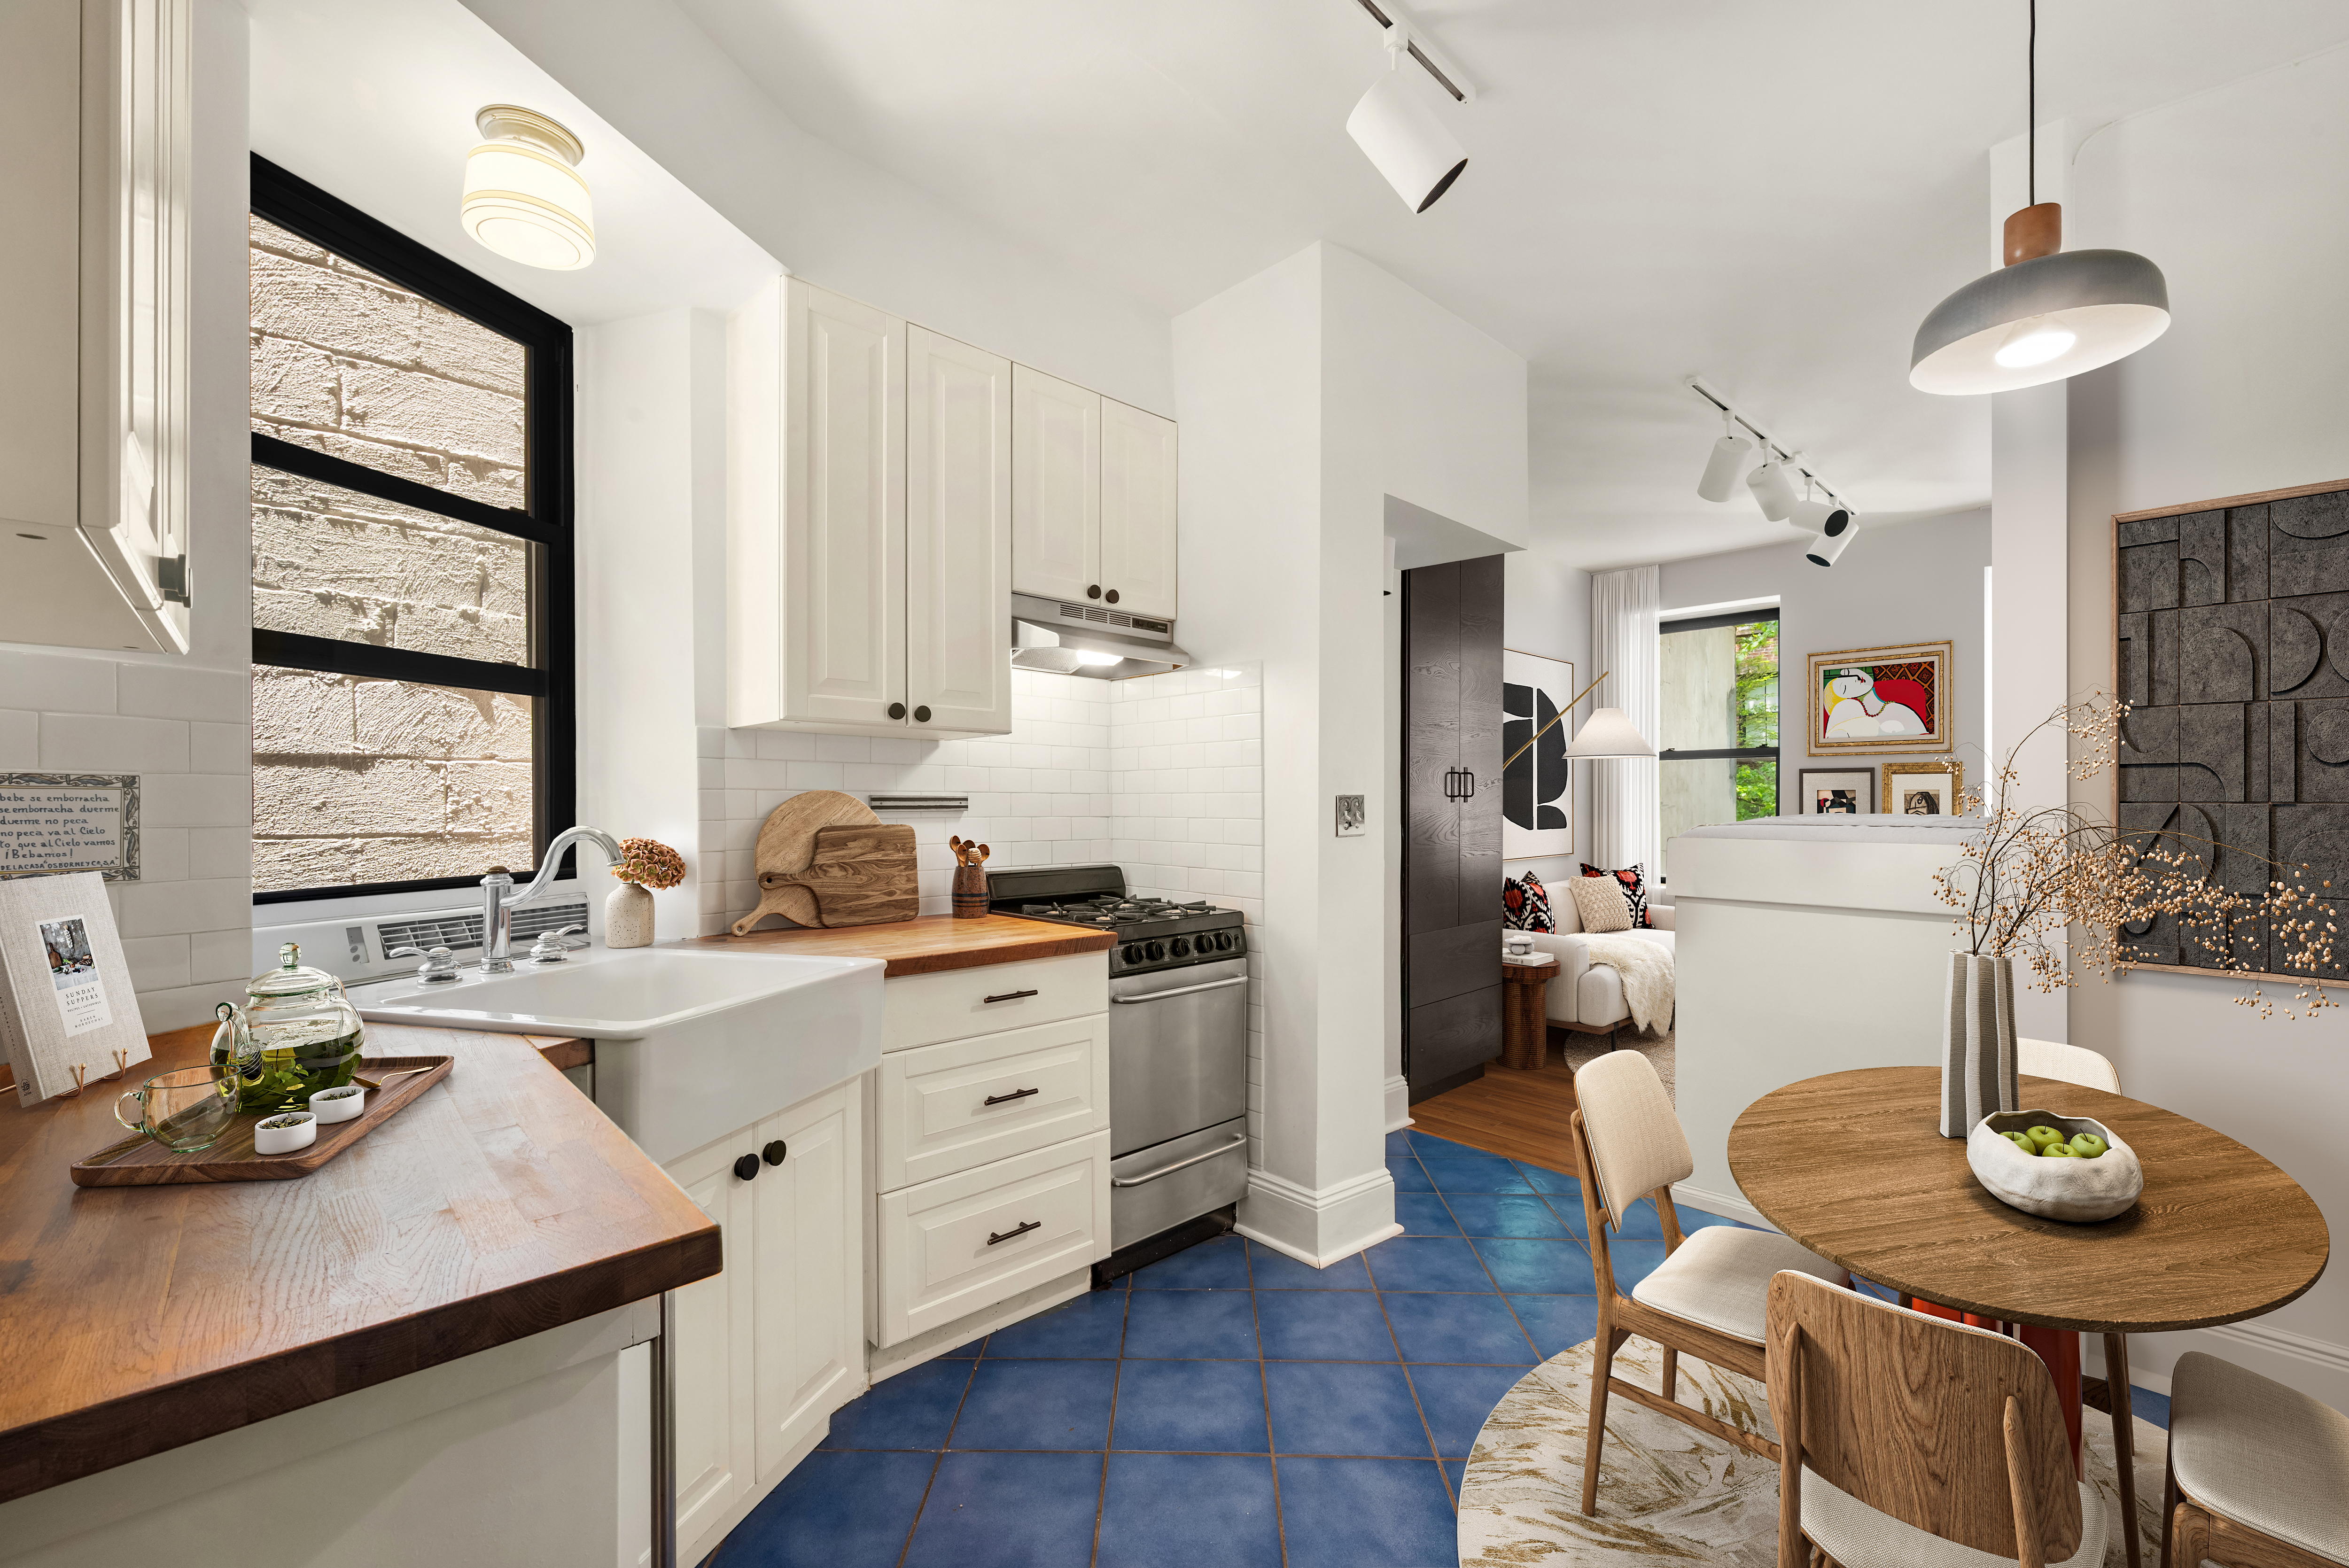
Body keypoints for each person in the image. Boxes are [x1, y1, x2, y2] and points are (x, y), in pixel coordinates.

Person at [1821, 666, 1928, 740]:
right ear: (1846, 702)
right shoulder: (1843, 714)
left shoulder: (1897, 708)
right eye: (1844, 687)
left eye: (1849, 677)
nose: (1855, 679)